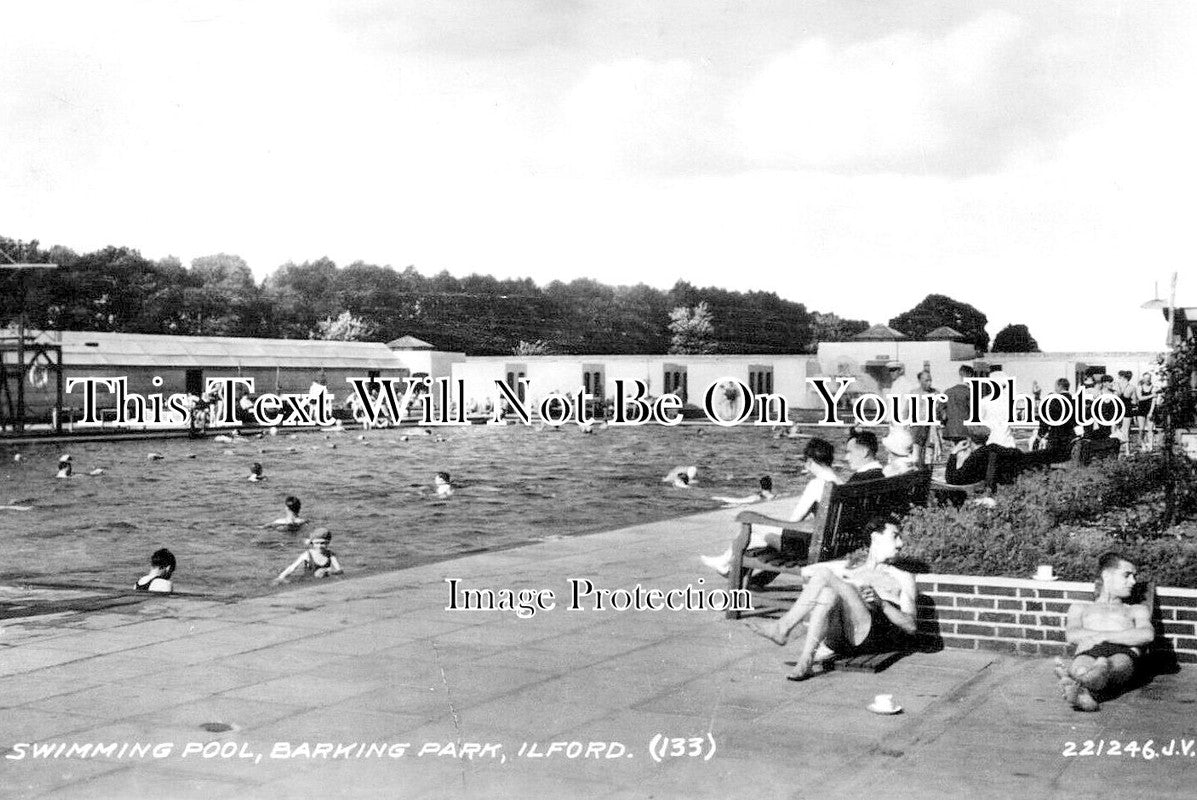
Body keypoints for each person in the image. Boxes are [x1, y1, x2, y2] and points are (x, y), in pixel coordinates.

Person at [745, 515, 918, 681]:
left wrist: (883, 604)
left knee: (826, 576)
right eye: (895, 536)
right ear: (875, 537)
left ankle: (783, 629)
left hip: (871, 635)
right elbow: (809, 572)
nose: (900, 544)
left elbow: (911, 627)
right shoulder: (855, 569)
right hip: (842, 637)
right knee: (829, 592)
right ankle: (805, 660)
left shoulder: (902, 576)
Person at [701, 439, 840, 576]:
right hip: (832, 546)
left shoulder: (817, 484)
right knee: (758, 538)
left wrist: (770, 523)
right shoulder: (840, 482)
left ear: (810, 461)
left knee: (753, 525)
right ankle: (732, 566)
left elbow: (794, 521)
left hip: (807, 549)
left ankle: (726, 563)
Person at [1054, 552, 1154, 712]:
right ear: (1107, 575)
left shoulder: (1135, 609)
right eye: (1127, 575)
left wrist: (1102, 636)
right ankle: (1084, 693)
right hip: (1089, 651)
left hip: (1123, 651)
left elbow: (1146, 635)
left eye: (1134, 576)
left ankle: (1075, 682)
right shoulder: (1080, 607)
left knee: (1109, 666)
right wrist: (1120, 635)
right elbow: (1072, 635)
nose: (1133, 582)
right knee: (1082, 667)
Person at [273, 528, 343, 583]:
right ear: (312, 543)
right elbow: (292, 567)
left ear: (328, 543)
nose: (319, 546)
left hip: (323, 582)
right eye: (317, 543)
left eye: (323, 543)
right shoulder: (307, 554)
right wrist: (281, 577)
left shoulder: (330, 555)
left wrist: (328, 570)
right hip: (307, 581)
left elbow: (339, 570)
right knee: (286, 582)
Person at [938, 365, 976, 444]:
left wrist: (943, 423)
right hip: (966, 431)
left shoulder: (947, 392)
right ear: (970, 375)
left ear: (960, 375)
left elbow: (939, 411)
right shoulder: (970, 393)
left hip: (949, 432)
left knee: (951, 454)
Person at [711, 476, 776, 505]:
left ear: (761, 485)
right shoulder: (775, 497)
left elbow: (738, 501)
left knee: (737, 502)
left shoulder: (756, 497)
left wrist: (720, 498)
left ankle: (718, 498)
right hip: (761, 497)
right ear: (771, 485)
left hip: (755, 499)